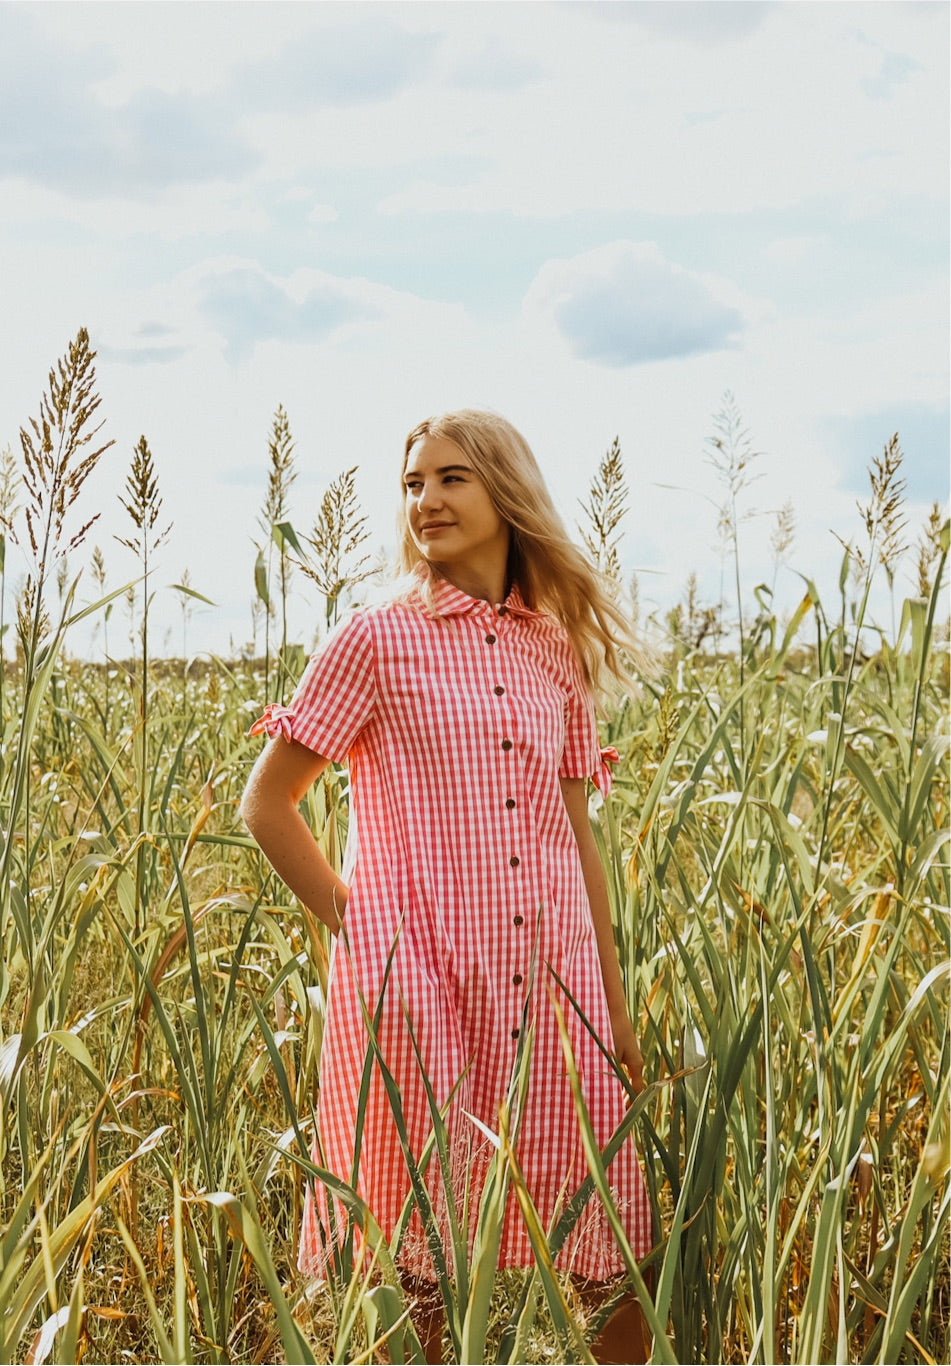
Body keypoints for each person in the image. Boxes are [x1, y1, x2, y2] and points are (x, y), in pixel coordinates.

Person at [241, 409, 654, 1363]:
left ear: (505, 492)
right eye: (413, 484)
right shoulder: (376, 639)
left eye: (451, 478)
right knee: (415, 1264)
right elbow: (268, 805)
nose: (425, 500)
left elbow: (575, 838)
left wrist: (614, 1007)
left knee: (612, 1252)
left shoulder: (553, 649)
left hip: (554, 992)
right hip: (416, 987)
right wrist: (367, 927)